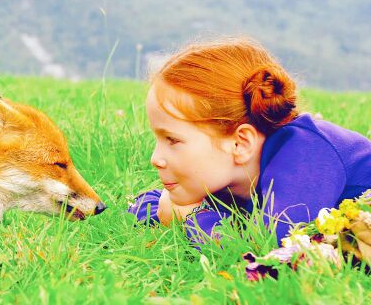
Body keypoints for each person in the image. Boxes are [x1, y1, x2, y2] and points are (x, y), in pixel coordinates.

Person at [127, 38, 371, 244]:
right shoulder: (228, 174)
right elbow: (147, 204)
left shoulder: (307, 154)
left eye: (172, 140)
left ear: (240, 143)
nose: (155, 159)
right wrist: (170, 209)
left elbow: (269, 245)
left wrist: (191, 218)